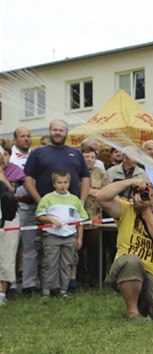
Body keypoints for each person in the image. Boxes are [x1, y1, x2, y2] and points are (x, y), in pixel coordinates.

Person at [96, 178, 153, 321]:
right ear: (133, 197)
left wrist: (146, 212)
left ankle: (145, 303)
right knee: (132, 261)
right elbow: (101, 197)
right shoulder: (126, 209)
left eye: (149, 193)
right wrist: (131, 182)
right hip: (128, 268)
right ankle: (133, 313)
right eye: (140, 193)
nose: (145, 196)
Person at [23, 120, 90, 292]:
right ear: (50, 131)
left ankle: (67, 285)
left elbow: (85, 178)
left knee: (69, 251)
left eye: (61, 130)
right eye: (55, 130)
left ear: (66, 132)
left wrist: (81, 201)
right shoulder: (38, 153)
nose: (58, 133)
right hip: (45, 211)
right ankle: (33, 285)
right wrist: (39, 201)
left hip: (70, 211)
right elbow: (28, 179)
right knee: (40, 250)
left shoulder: (76, 153)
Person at [35, 170, 89, 298]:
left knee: (67, 264)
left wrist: (79, 238)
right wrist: (50, 219)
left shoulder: (74, 200)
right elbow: (39, 216)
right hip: (52, 236)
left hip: (70, 237)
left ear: (69, 183)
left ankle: (63, 290)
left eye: (65, 182)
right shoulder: (47, 198)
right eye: (59, 182)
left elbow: (79, 221)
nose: (62, 185)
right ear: (54, 184)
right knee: (50, 263)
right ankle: (47, 290)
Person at [9, 127, 38, 294]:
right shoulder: (8, 155)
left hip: (32, 205)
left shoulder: (34, 155)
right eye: (22, 136)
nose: (26, 139)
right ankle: (10, 284)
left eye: (28, 136)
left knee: (30, 248)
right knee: (11, 247)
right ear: (15, 139)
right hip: (15, 207)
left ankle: (29, 284)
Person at [79, 146, 109, 288]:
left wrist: (88, 190)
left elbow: (106, 191)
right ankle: (80, 280)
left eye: (92, 157)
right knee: (78, 250)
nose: (89, 159)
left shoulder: (101, 173)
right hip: (78, 219)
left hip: (96, 218)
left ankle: (96, 280)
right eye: (86, 156)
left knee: (95, 250)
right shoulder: (75, 172)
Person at [0, 146, 20, 306]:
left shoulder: (9, 172)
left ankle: (2, 293)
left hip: (7, 219)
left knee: (7, 255)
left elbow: (10, 192)